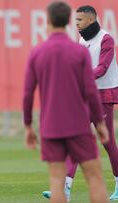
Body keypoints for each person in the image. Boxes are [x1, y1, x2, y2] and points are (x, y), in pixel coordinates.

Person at [23, 1, 110, 203]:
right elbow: (90, 90)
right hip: (78, 125)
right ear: (68, 21)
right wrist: (99, 122)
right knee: (95, 177)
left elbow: (27, 94)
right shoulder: (79, 51)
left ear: (48, 21)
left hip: (51, 126)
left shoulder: (37, 52)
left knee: (56, 180)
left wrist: (28, 125)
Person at [42, 5, 118, 201]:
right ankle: (65, 189)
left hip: (103, 96)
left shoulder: (106, 38)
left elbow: (102, 68)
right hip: (85, 96)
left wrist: (78, 78)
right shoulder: (83, 39)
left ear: (91, 20)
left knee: (108, 142)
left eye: (79, 21)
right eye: (75, 21)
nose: (76, 24)